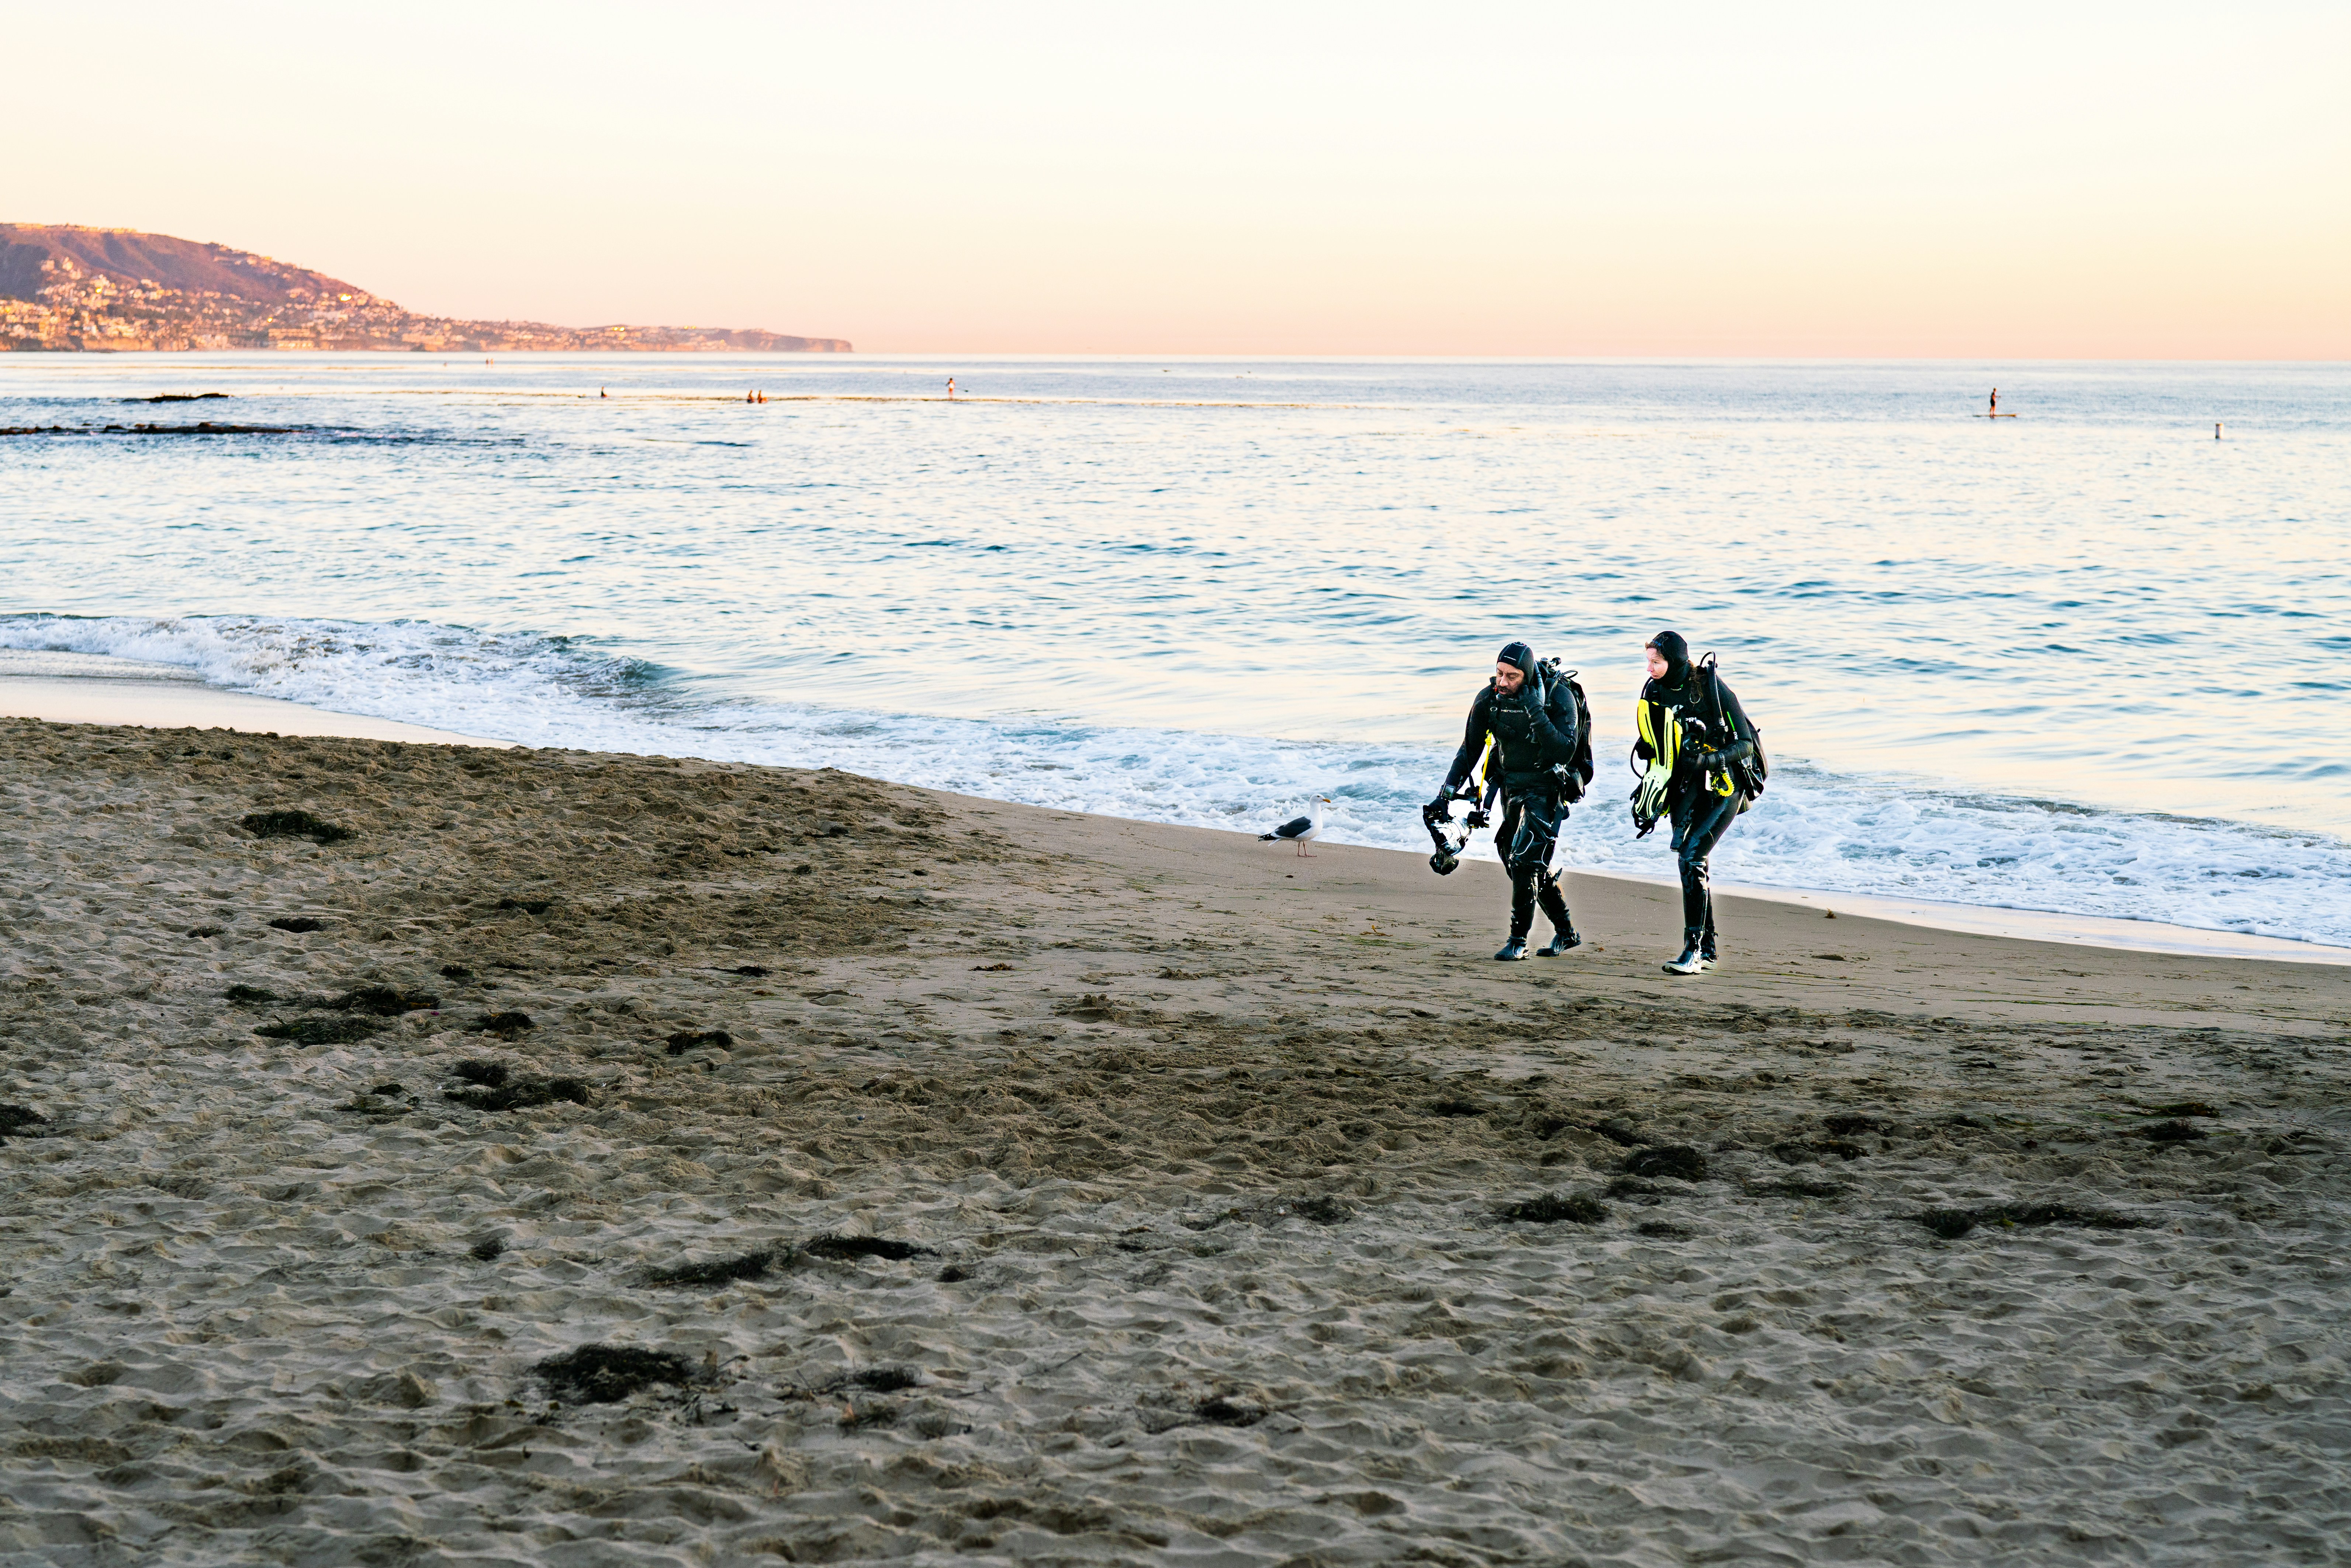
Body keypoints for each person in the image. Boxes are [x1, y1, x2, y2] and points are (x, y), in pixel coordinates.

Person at [1427, 642, 1583, 961]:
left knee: (1525, 858)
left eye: (1512, 676)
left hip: (1547, 787)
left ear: (1527, 676)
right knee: (1514, 856)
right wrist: (1445, 794)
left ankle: (1517, 941)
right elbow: (1469, 750)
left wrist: (1534, 709)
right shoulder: (1489, 699)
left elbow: (1564, 751)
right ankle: (1566, 933)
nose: (1502, 682)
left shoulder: (1558, 697)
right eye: (1499, 673)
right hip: (1510, 786)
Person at [1631, 630, 1763, 976]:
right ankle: (1708, 949)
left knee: (1693, 857)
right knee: (1689, 861)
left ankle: (1692, 952)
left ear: (1674, 661)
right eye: (1647, 661)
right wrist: (1647, 746)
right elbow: (1656, 738)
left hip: (1724, 783)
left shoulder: (1710, 687)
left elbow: (1745, 744)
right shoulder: (1654, 690)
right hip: (1683, 786)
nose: (1649, 668)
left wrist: (1707, 761)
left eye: (1655, 662)